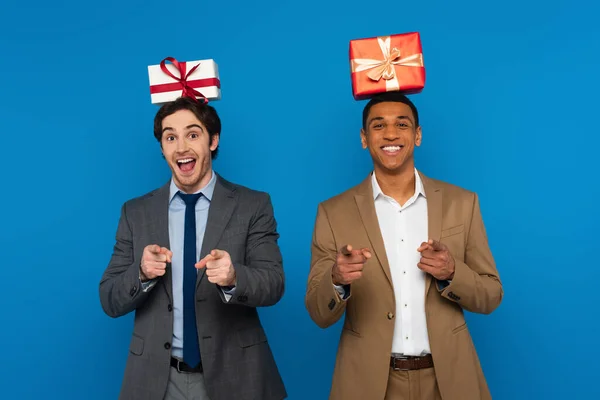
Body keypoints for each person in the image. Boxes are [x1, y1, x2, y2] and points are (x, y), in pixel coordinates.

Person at [305, 92, 503, 400]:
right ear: (364, 138)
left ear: (418, 134)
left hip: (449, 379)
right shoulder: (332, 212)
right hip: (369, 383)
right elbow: (318, 314)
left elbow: (491, 296)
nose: (391, 133)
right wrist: (336, 281)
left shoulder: (462, 203)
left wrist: (452, 273)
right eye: (378, 125)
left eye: (402, 123)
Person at [99, 96, 287, 400]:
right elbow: (109, 299)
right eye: (170, 137)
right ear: (162, 148)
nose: (181, 147)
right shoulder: (135, 213)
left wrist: (234, 278)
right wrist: (142, 274)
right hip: (156, 381)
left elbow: (274, 284)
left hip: (236, 377)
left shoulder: (253, 205)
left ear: (213, 141)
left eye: (193, 134)